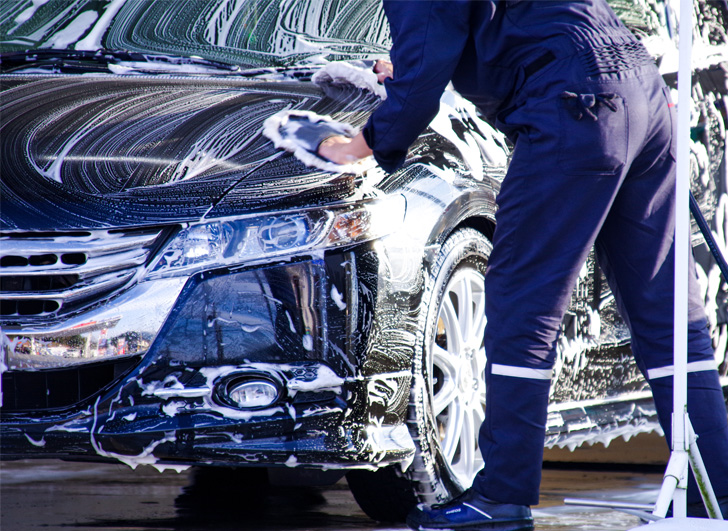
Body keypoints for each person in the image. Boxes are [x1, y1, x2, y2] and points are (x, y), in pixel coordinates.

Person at [319, 1, 728, 530]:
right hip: (640, 90)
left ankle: (502, 494)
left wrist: (360, 144)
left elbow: (425, 62)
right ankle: (715, 488)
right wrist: (416, 70)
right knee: (667, 309)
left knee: (521, 303)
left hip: (576, 105)